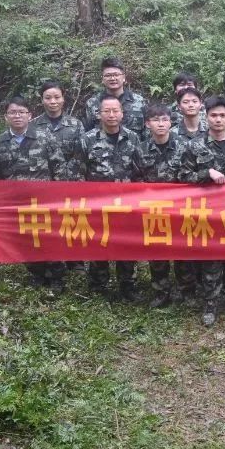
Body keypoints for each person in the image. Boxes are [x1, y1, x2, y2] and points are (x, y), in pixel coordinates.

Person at [0, 96, 67, 293]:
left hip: (44, 201)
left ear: (30, 115)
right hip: (16, 202)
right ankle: (37, 273)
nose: (17, 116)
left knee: (49, 237)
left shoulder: (45, 138)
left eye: (21, 112)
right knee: (25, 238)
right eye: (12, 112)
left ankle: (56, 277)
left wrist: (63, 195)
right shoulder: (0, 142)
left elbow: (59, 168)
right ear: (6, 117)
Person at [177, 97, 225, 327]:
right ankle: (210, 304)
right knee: (211, 259)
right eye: (213, 115)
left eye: (222, 115)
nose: (218, 120)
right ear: (206, 117)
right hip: (206, 213)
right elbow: (182, 176)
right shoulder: (194, 146)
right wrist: (206, 173)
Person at [79, 94, 145, 301]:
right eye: (106, 111)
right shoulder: (87, 139)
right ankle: (98, 285)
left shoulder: (133, 138)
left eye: (115, 111)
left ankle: (128, 285)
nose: (111, 115)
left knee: (127, 243)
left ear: (122, 114)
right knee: (99, 242)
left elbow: (140, 170)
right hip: (97, 204)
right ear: (98, 114)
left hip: (126, 204)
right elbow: (79, 172)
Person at [138, 104, 195, 308]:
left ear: (171, 122)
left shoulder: (185, 146)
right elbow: (136, 178)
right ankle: (161, 291)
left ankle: (187, 291)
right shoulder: (141, 149)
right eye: (155, 120)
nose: (160, 124)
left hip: (181, 208)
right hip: (154, 209)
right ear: (148, 124)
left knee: (183, 250)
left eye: (164, 120)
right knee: (157, 251)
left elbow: (192, 175)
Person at [31, 80, 85, 181]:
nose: (53, 101)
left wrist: (66, 177)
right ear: (42, 100)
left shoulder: (76, 125)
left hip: (70, 180)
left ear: (63, 98)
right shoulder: (32, 126)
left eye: (57, 97)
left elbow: (80, 155)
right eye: (48, 98)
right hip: (41, 181)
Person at [83, 57, 148, 135]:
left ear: (124, 78)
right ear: (102, 79)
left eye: (116, 75)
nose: (113, 78)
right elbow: (88, 133)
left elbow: (147, 132)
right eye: (108, 75)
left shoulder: (139, 102)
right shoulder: (93, 103)